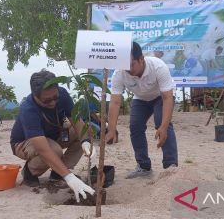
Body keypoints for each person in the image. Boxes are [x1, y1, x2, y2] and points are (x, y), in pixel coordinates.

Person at [10, 69, 95, 202]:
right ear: (35, 96)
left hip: (55, 134)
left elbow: (76, 120)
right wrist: (70, 178)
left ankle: (57, 174)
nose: (53, 103)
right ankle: (29, 172)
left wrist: (85, 140)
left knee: (86, 131)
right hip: (24, 142)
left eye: (55, 98)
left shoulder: (62, 94)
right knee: (54, 150)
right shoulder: (28, 109)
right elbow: (43, 149)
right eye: (47, 100)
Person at [105, 42, 178, 179]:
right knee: (135, 126)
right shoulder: (119, 73)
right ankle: (143, 167)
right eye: (124, 66)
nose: (128, 69)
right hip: (140, 98)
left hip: (160, 96)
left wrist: (163, 126)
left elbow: (168, 97)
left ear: (141, 59)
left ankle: (170, 166)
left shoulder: (158, 67)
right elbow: (115, 102)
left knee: (162, 124)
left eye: (131, 64)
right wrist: (111, 129)